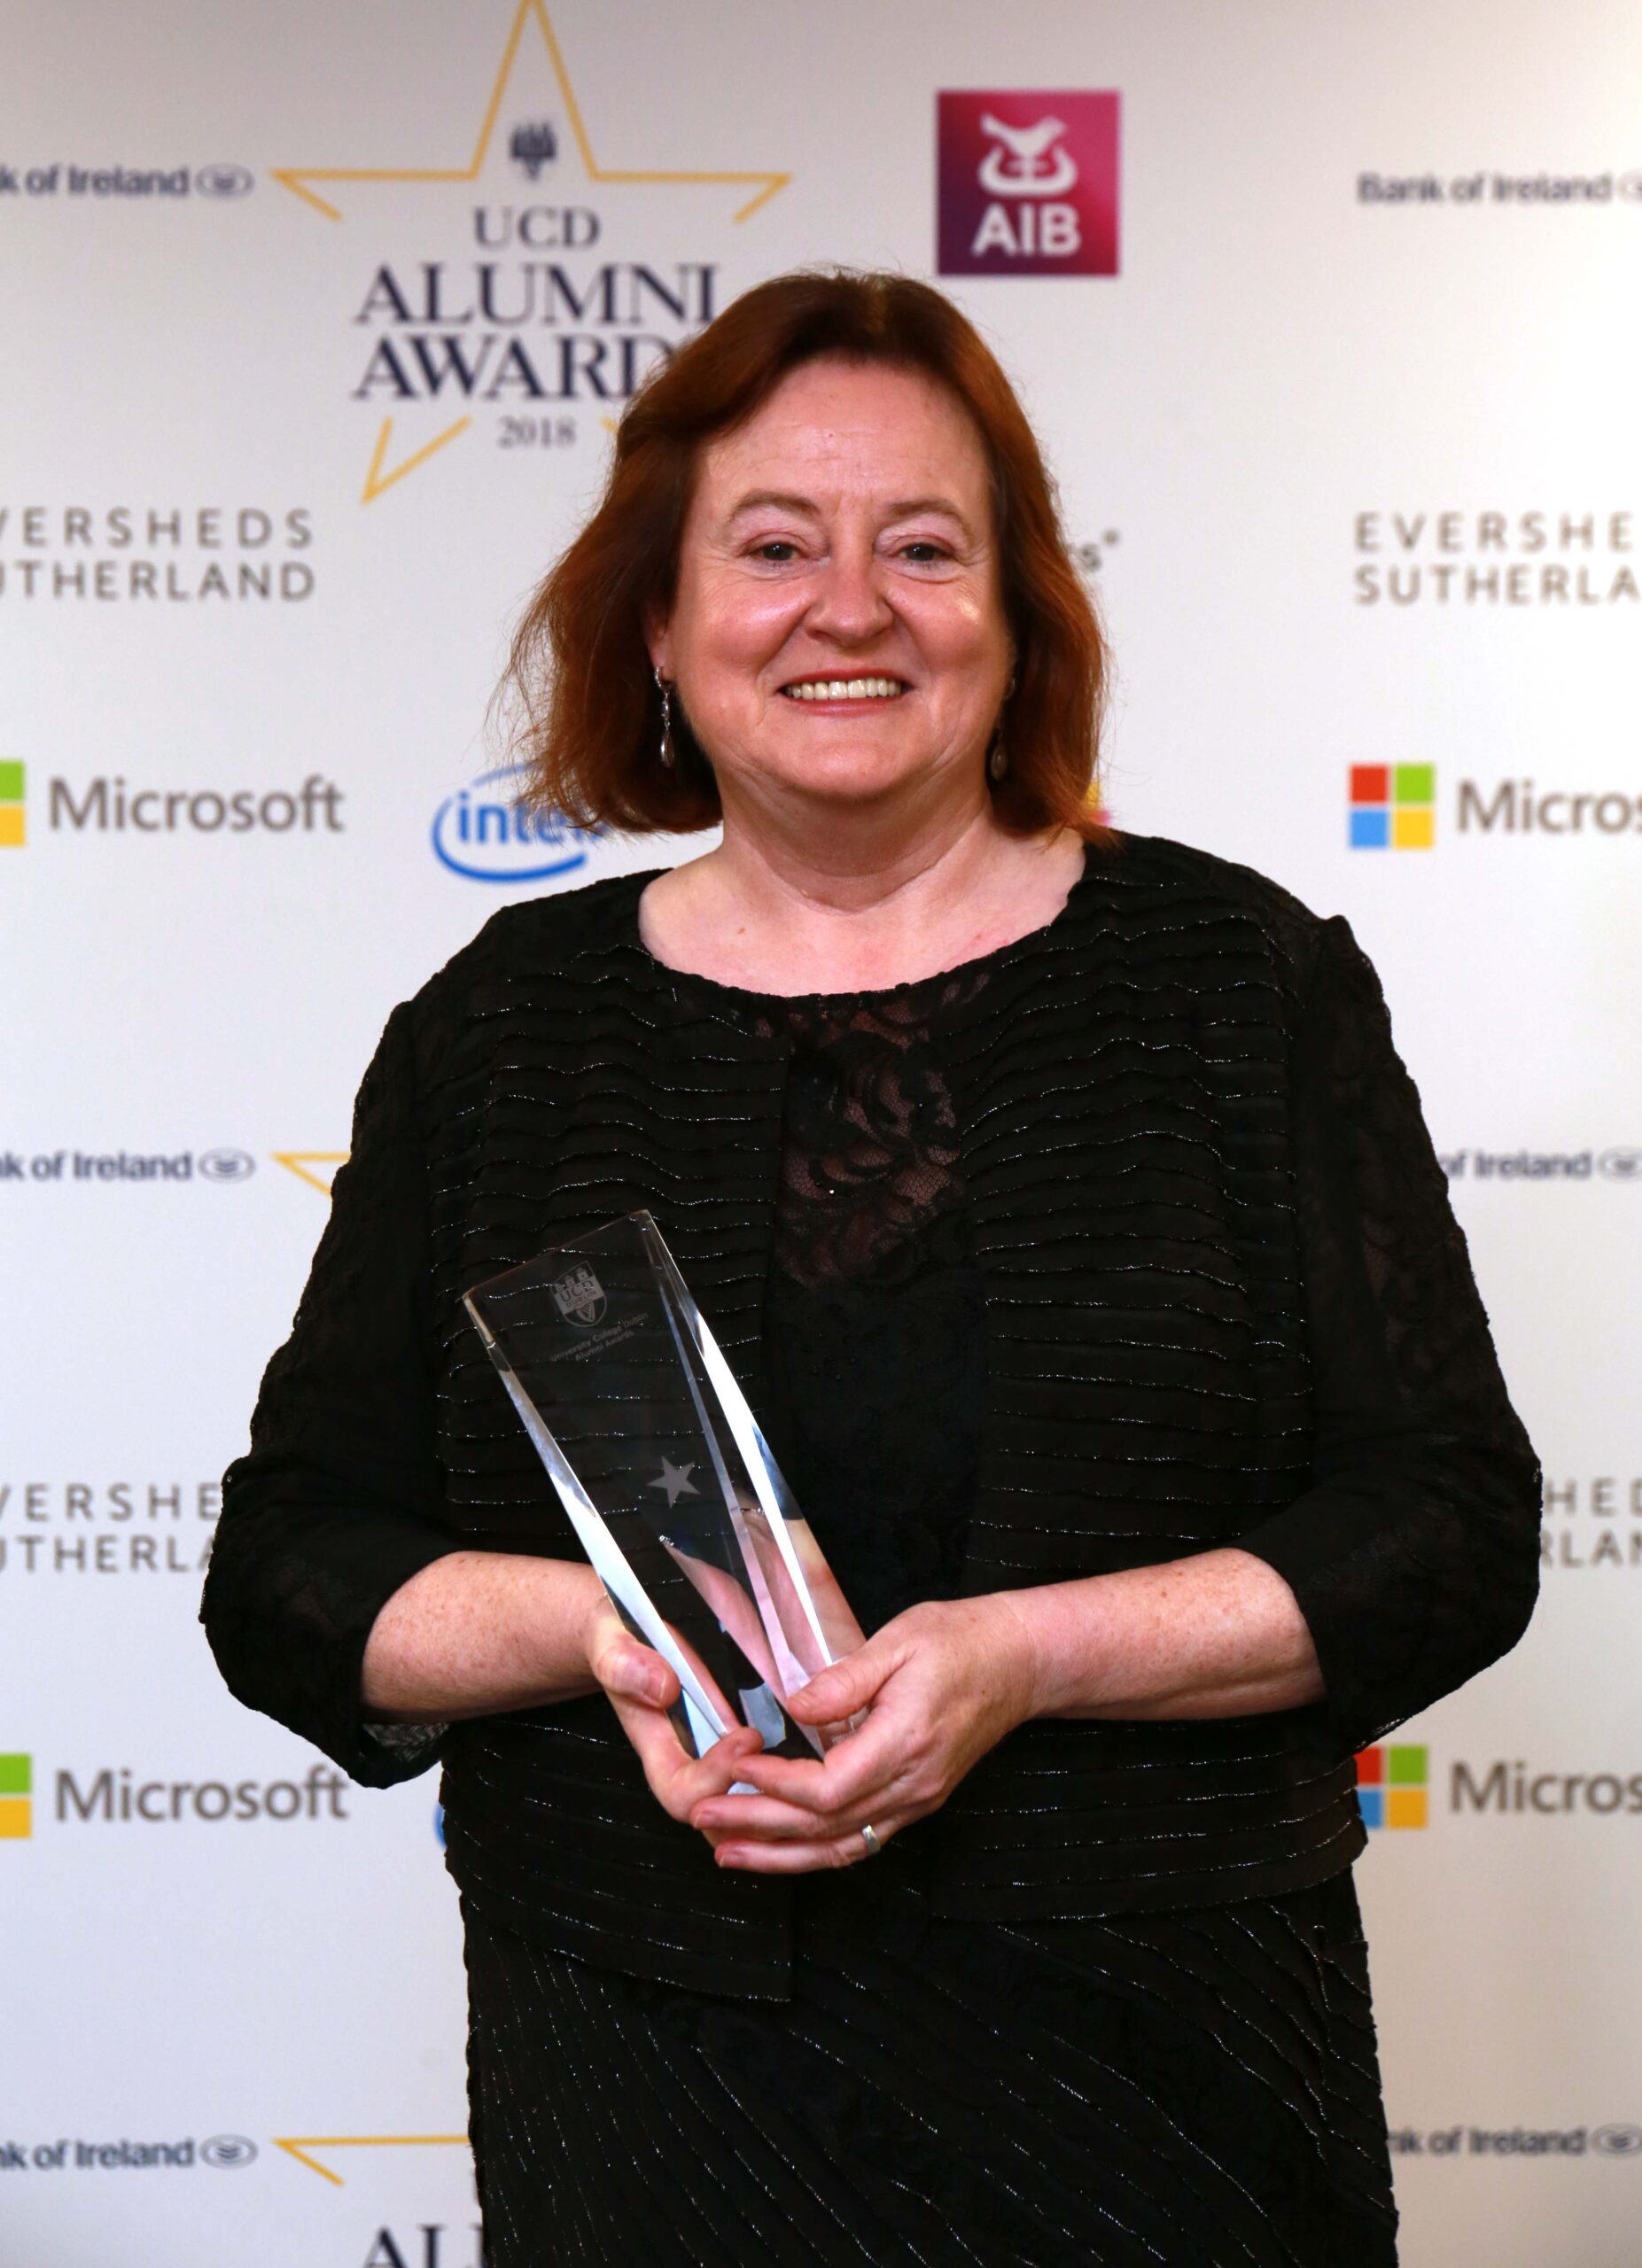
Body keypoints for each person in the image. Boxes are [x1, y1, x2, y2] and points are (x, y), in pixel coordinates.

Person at [202, 270, 1540, 2266]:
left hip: (1162, 2099)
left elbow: (1447, 1529)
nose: (850, 608)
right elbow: (292, 1570)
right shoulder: (504, 1035)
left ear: (1017, 620)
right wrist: (611, 1630)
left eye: (923, 547)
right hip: (649, 2111)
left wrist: (1028, 1655)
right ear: (660, 626)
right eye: (771, 548)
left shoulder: (1239, 987)